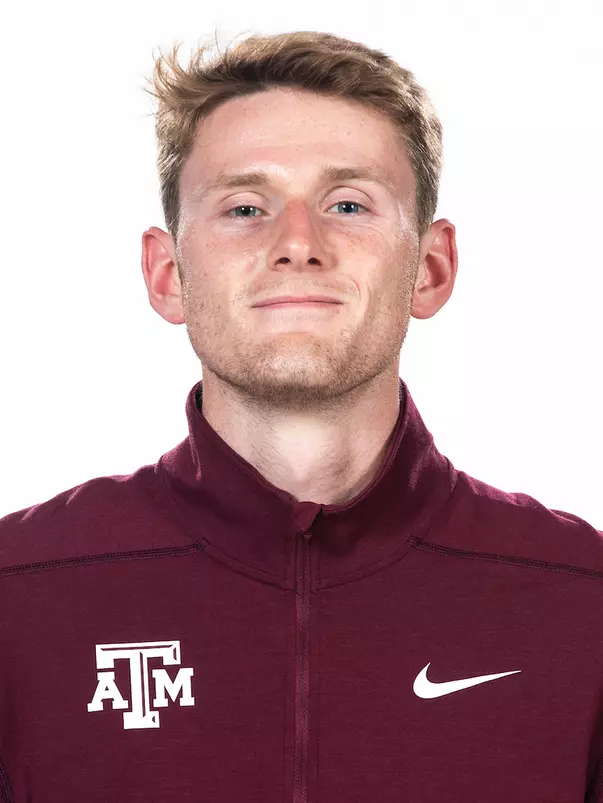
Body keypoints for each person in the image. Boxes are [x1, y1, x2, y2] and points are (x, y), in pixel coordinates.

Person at [0, 28, 601, 803]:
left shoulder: (580, 603)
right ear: (166, 273)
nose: (297, 243)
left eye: (347, 203)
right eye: (245, 207)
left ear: (430, 266)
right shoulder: (20, 595)